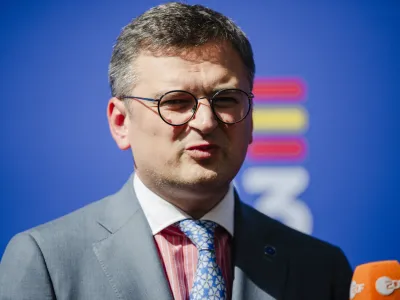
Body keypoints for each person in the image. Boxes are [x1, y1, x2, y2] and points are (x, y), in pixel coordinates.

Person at [0, 3, 352, 299]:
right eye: (177, 102)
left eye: (226, 100)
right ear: (121, 122)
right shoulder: (46, 260)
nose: (206, 121)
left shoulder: (321, 267)